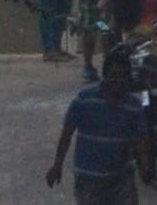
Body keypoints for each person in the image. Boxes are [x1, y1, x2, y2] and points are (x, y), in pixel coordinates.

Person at [49, 51, 149, 205]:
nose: (119, 81)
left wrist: (145, 165)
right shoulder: (84, 100)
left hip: (121, 177)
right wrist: (57, 165)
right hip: (90, 178)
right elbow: (66, 135)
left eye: (124, 76)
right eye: (114, 76)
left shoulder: (134, 106)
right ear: (104, 76)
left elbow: (140, 139)